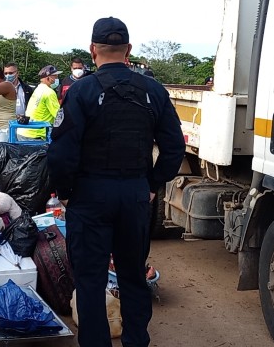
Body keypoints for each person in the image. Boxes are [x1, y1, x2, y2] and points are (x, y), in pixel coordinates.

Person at [47, 17, 186, 347]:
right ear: (129, 50)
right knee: (133, 276)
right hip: (135, 194)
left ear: (93, 50)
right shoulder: (153, 90)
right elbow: (174, 147)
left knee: (91, 280)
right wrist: (151, 184)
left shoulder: (80, 91)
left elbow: (61, 153)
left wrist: (65, 194)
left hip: (90, 195)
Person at [17, 65, 61, 141]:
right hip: (36, 135)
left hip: (24, 132)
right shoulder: (49, 92)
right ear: (48, 78)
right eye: (55, 77)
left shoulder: (38, 89)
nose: (57, 79)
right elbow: (58, 115)